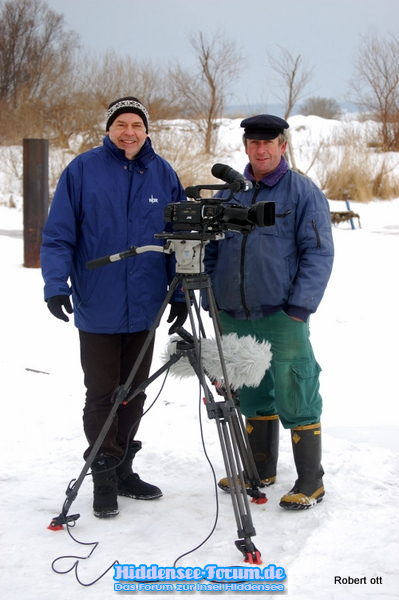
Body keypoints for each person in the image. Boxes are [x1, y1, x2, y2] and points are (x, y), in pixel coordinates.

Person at [41, 97, 188, 518]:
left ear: (146, 130)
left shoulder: (163, 174)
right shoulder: (83, 170)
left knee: (134, 393)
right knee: (103, 393)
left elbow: (179, 239)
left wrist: (177, 294)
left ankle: (123, 467)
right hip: (98, 301)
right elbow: (58, 235)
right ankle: (102, 473)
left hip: (145, 304)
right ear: (108, 129)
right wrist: (55, 285)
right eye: (121, 124)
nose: (129, 131)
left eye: (136, 125)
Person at [204, 114, 334, 510]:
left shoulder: (302, 193)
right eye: (253, 143)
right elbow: (211, 251)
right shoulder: (229, 194)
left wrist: (300, 307)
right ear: (245, 146)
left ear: (282, 146)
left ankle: (311, 480)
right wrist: (213, 299)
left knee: (296, 390)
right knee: (252, 393)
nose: (261, 149)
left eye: (269, 143)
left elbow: (318, 253)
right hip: (234, 313)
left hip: (283, 313)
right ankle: (260, 469)